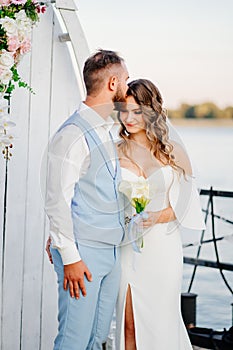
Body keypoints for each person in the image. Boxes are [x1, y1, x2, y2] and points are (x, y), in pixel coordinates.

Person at [45, 49, 129, 350]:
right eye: (126, 81)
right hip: (84, 257)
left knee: (96, 340)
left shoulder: (107, 129)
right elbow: (57, 200)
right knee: (74, 341)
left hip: (111, 253)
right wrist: (70, 257)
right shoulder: (71, 135)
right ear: (112, 84)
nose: (128, 89)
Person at [115, 79, 205, 350]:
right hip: (127, 249)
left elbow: (188, 205)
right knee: (127, 324)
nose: (128, 118)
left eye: (137, 112)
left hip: (162, 251)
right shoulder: (114, 150)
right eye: (124, 110)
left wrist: (156, 217)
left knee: (160, 324)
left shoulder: (172, 151)